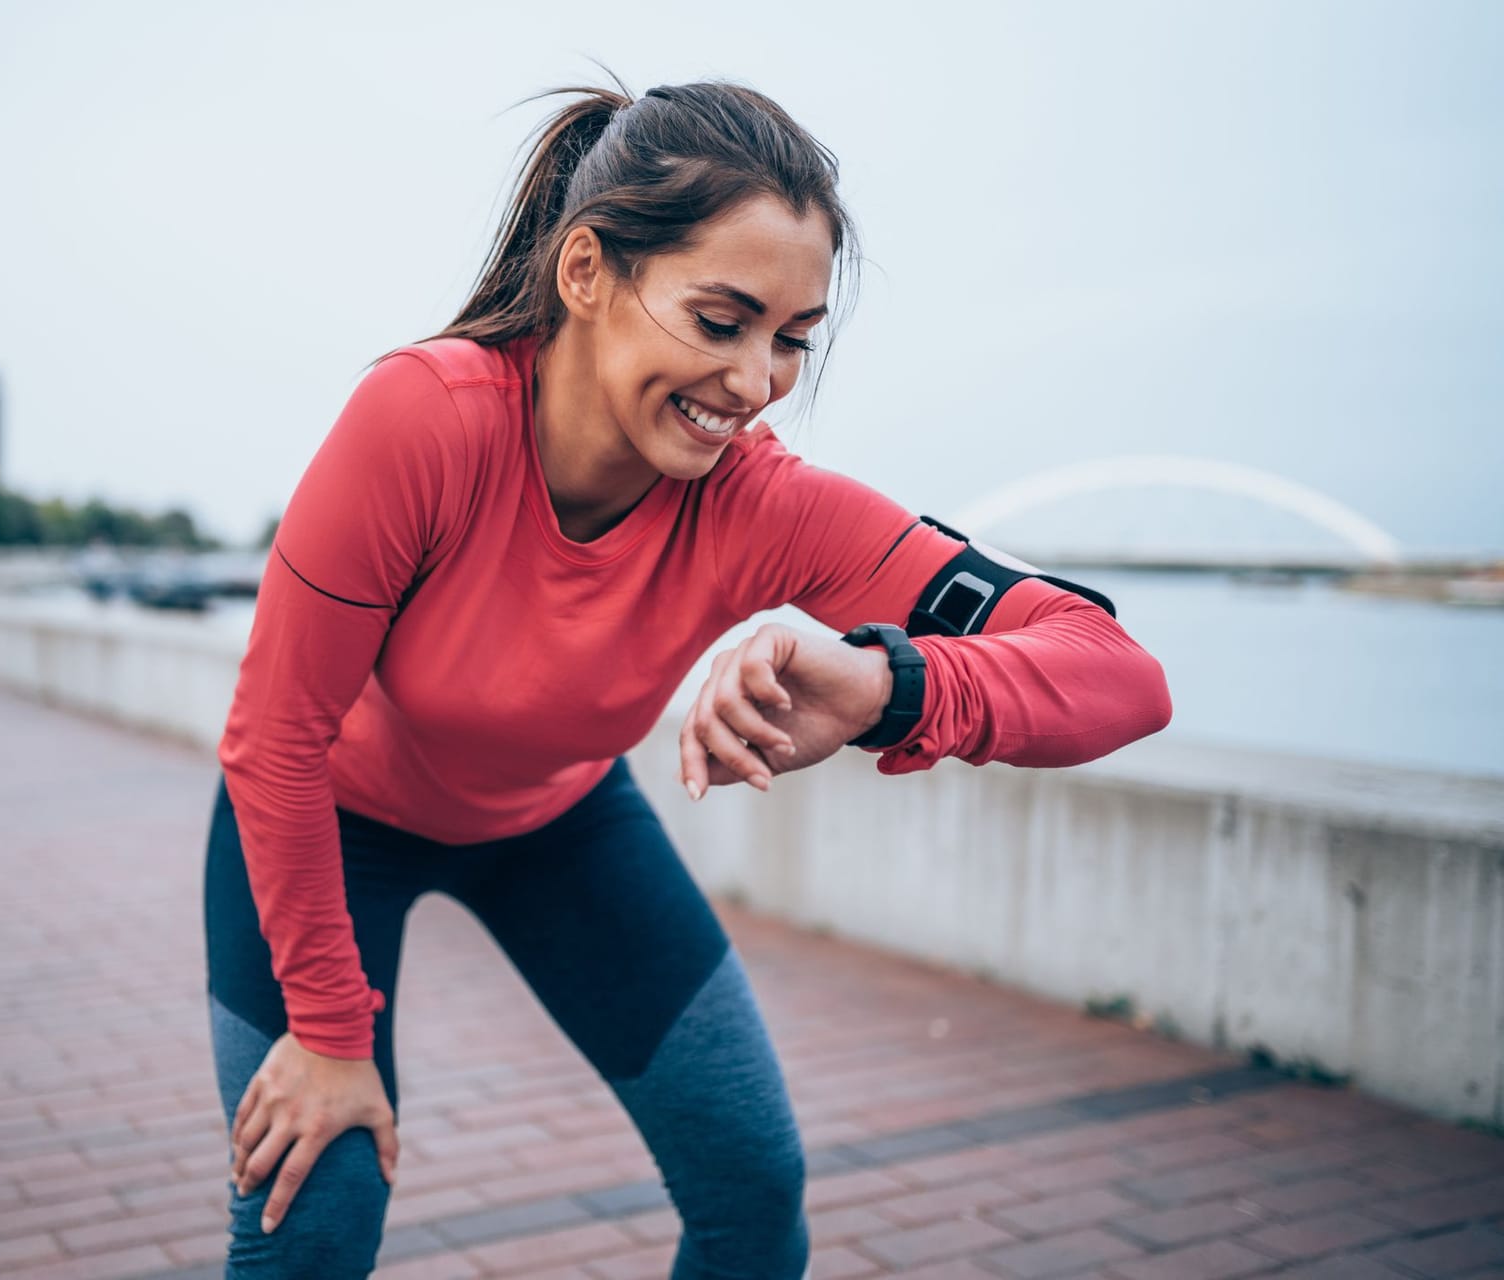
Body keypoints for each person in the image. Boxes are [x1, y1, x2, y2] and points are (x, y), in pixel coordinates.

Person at [204, 79, 1173, 1278]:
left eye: (793, 339)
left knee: (755, 1195)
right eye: (721, 320)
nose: (758, 381)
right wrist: (330, 1031)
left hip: (556, 821)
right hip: (324, 822)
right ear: (585, 274)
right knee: (323, 1210)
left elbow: (1117, 672)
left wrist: (887, 685)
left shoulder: (764, 505)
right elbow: (275, 736)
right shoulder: (427, 419)